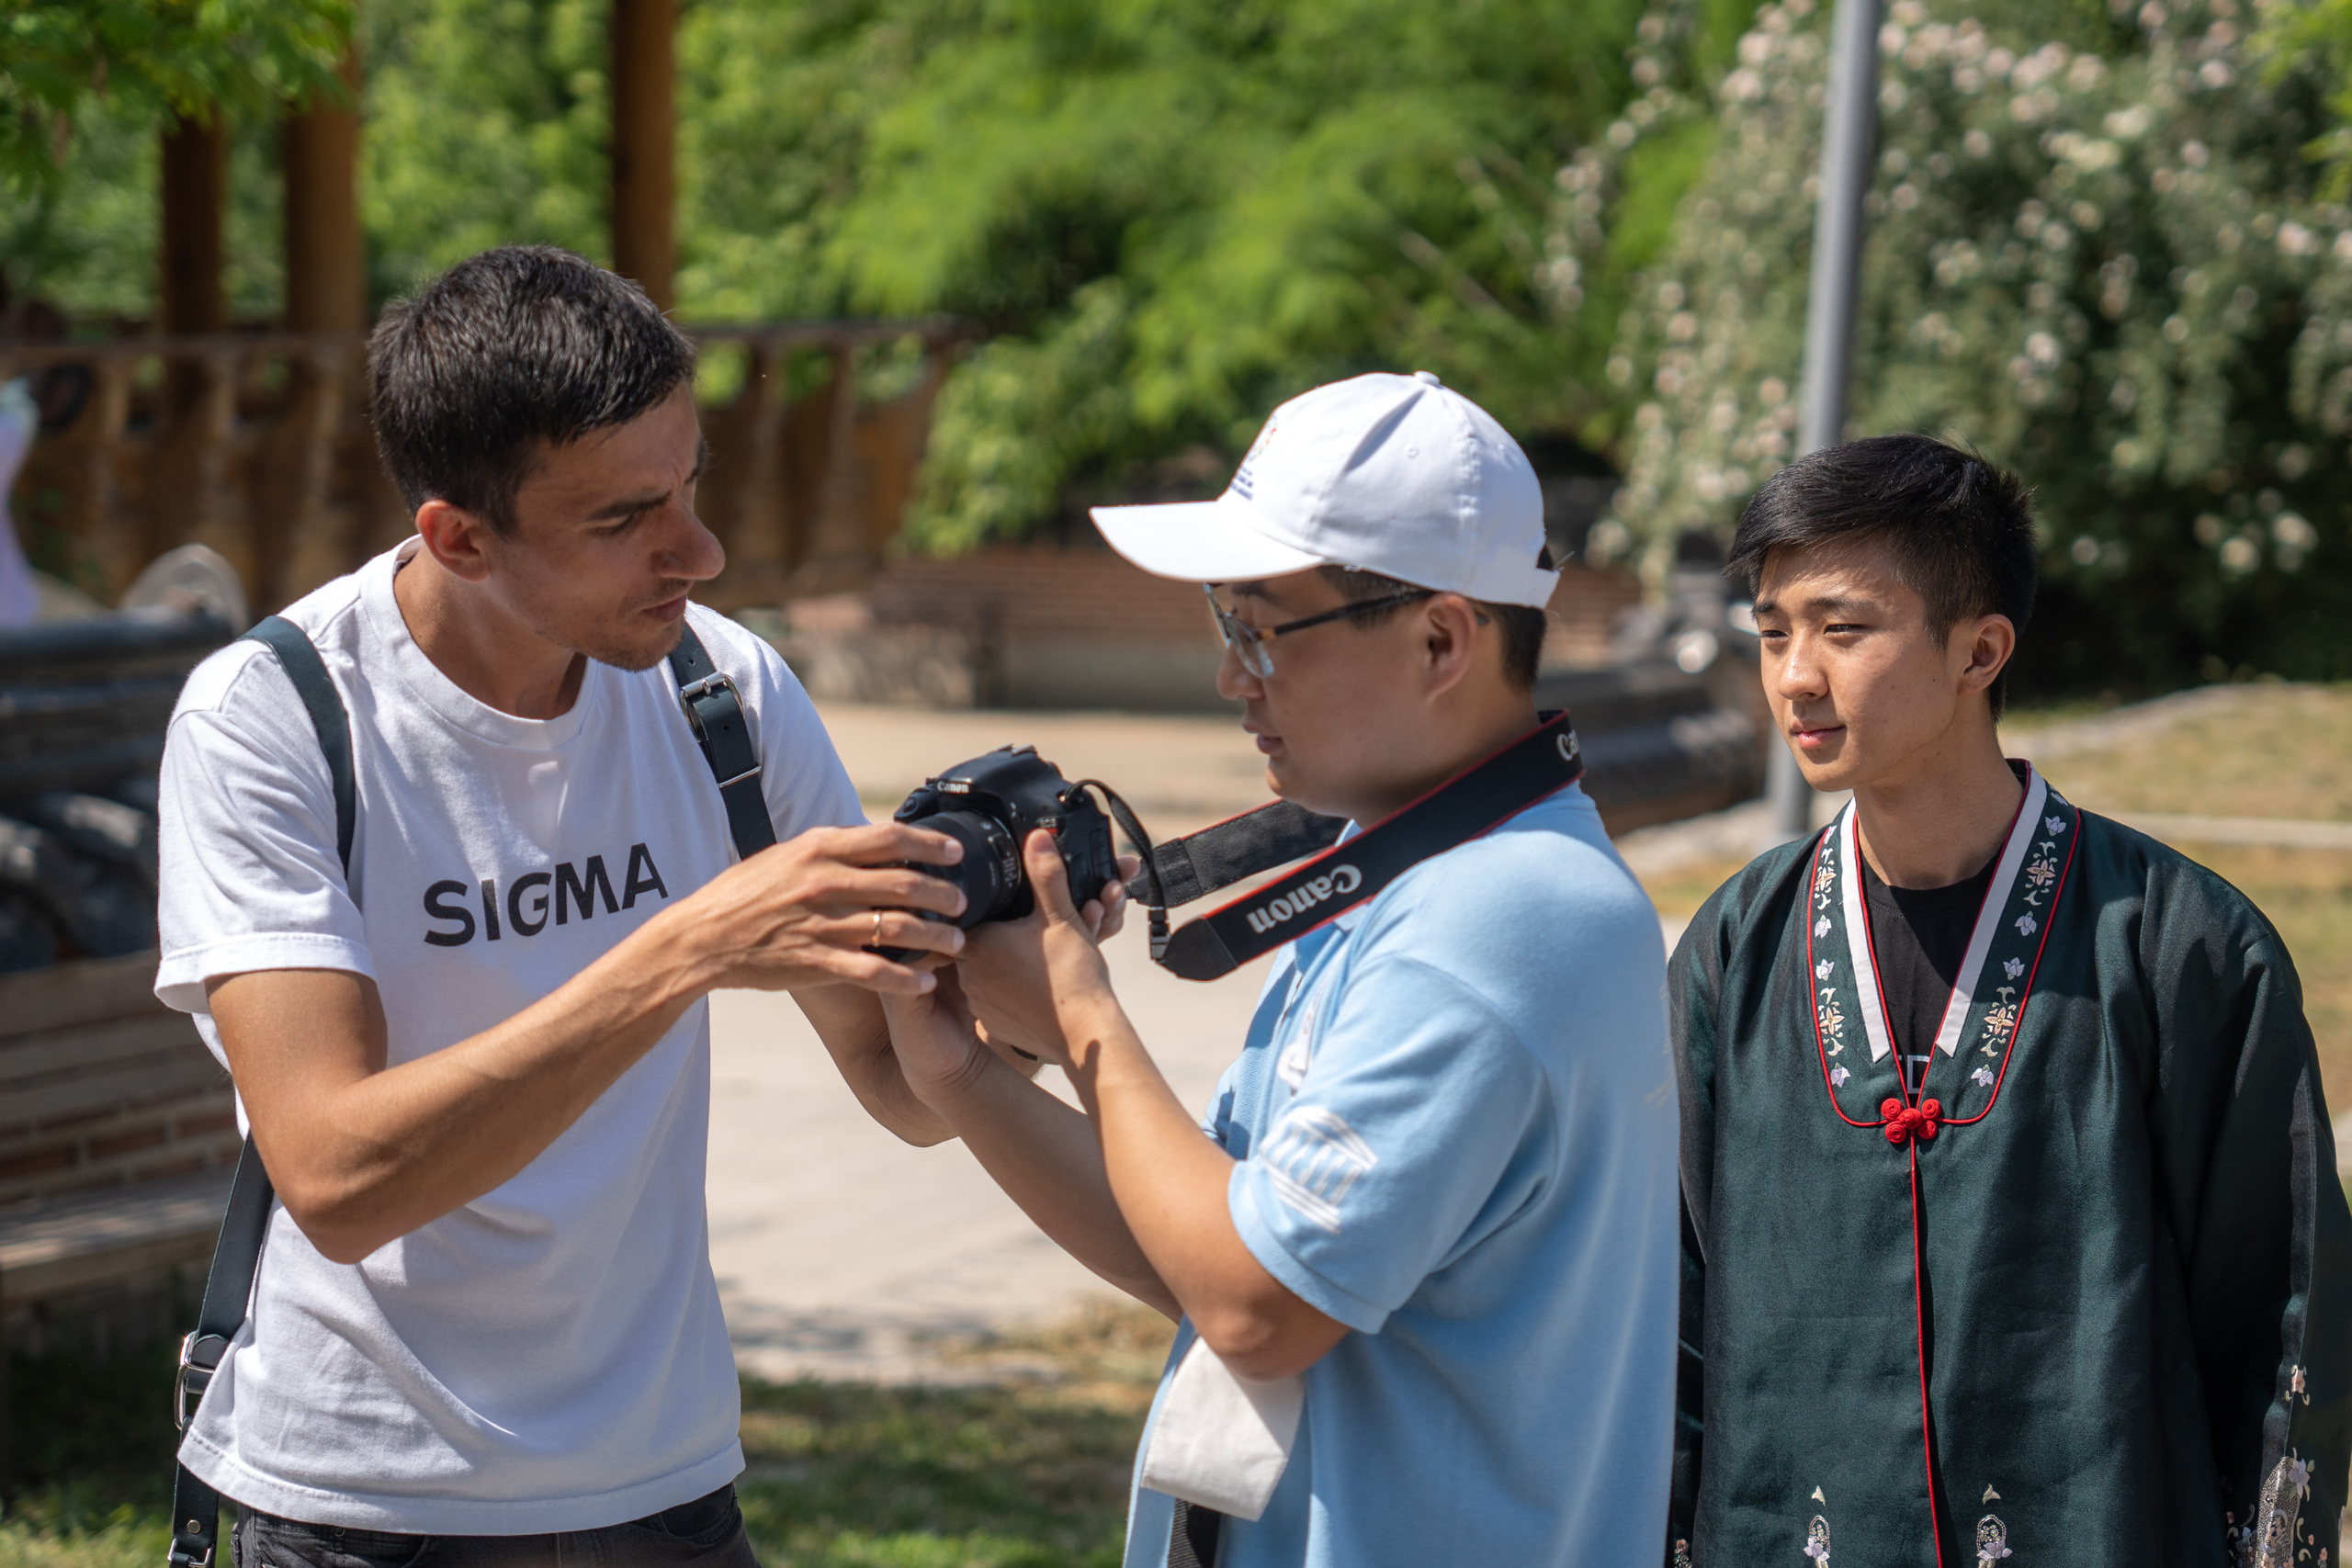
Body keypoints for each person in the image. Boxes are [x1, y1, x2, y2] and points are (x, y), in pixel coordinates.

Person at [157, 246, 976, 1564]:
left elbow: (898, 1078)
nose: (698, 552)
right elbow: (339, 1177)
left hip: (663, 1482)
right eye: (623, 519)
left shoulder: (723, 690)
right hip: (368, 1501)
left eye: (690, 483)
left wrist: (1027, 978)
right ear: (458, 536)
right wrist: (685, 949)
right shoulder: (279, 718)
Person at [878, 370, 1682, 1568]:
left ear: (1439, 636)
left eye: (1261, 630)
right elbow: (1209, 1253)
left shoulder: (1491, 918)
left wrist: (1082, 1016)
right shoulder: (1426, 872)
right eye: (1224, 623)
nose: (1231, 677)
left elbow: (1257, 1308)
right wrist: (967, 1072)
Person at [1666, 434, 2352, 1567]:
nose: (1794, 675)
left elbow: (2277, 1310)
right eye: (1772, 631)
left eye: (1843, 630)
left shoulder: (2180, 946)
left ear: (1979, 650)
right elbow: (1675, 1310)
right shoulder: (1737, 948)